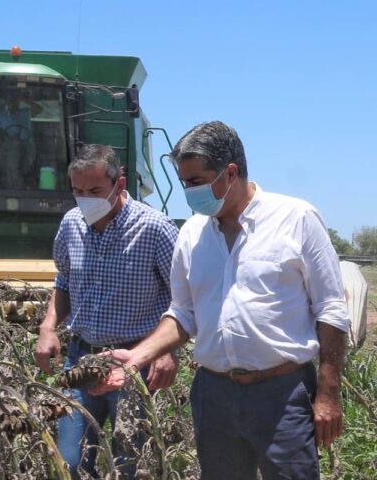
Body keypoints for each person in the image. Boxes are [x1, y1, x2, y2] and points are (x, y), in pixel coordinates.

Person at [90, 121, 350, 479]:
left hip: (282, 392)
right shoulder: (192, 233)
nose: (189, 192)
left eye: (196, 182)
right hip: (214, 394)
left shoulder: (296, 219)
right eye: (184, 183)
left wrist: (328, 392)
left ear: (230, 173)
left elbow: (332, 310)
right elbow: (182, 313)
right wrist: (138, 356)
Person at [34, 144, 180, 479]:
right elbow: (65, 281)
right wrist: (49, 326)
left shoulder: (154, 228)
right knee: (69, 461)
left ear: (119, 183)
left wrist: (167, 351)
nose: (85, 198)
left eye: (95, 190)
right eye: (78, 191)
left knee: (130, 463)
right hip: (81, 359)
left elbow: (183, 298)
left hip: (134, 362)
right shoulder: (72, 224)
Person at [0, 91, 42, 188]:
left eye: (15, 100)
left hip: (27, 143)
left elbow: (40, 110)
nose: (13, 102)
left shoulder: (26, 112)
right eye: (10, 100)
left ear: (19, 101)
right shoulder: (1, 116)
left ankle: (24, 177)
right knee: (11, 151)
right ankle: (13, 184)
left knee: (25, 163)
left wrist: (27, 100)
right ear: (6, 102)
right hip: (9, 145)